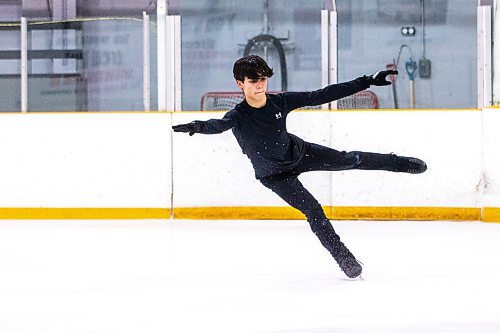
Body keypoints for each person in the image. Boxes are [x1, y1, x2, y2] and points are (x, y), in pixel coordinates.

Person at [172, 55, 427, 278]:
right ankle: (345, 259)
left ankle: (399, 163)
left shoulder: (279, 102)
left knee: (350, 159)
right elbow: (218, 125)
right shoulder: (238, 116)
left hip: (300, 153)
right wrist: (197, 126)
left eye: (262, 79)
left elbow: (322, 95)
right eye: (252, 81)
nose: (259, 85)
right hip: (274, 176)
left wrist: (366, 81)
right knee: (314, 210)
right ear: (241, 84)